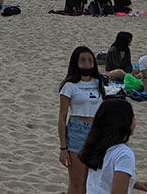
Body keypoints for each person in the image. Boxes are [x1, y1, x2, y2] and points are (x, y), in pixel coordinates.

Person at [79, 98, 147, 194]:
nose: (135, 120)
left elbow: (97, 180)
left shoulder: (95, 145)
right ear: (125, 122)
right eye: (133, 117)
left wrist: (135, 184)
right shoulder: (124, 154)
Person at [58, 46, 105, 194]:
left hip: (96, 132)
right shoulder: (69, 86)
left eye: (90, 60)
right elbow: (62, 117)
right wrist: (63, 148)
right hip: (77, 130)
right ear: (76, 62)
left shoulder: (98, 83)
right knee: (76, 183)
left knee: (89, 181)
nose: (87, 64)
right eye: (83, 60)